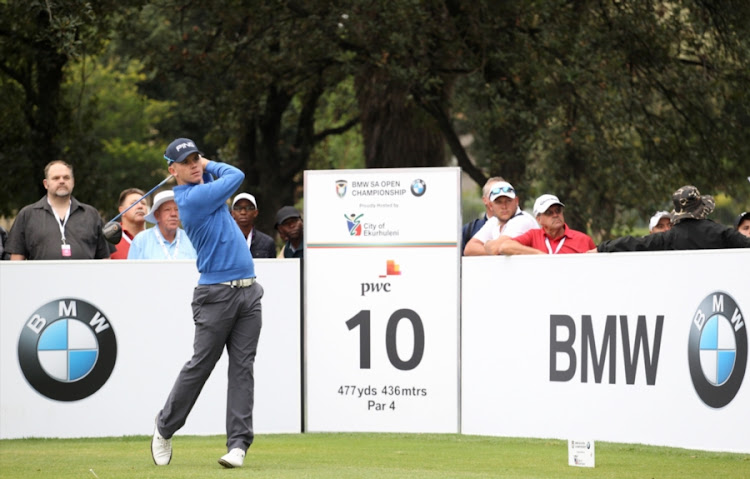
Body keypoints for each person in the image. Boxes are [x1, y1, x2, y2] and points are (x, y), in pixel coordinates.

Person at [151, 138, 262, 469]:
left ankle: (238, 445)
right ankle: (165, 427)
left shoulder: (205, 185)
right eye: (186, 161)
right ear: (173, 170)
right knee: (201, 365)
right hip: (216, 296)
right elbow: (236, 174)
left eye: (197, 157)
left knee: (243, 368)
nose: (195, 164)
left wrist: (202, 166)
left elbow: (227, 177)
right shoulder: (192, 198)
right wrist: (211, 164)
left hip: (249, 290)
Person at [6, 160, 112, 260]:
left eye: (66, 178)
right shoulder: (27, 215)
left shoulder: (91, 214)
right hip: (42, 279)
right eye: (56, 178)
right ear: (46, 184)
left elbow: (105, 258)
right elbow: (16, 259)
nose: (62, 181)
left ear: (73, 182)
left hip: (83, 279)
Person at [595, 186, 750, 252]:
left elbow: (635, 243)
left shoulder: (668, 238)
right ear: (701, 208)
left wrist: (602, 248)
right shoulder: (721, 233)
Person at [498, 194, 596, 255]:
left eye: (558, 211)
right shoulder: (533, 235)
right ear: (539, 219)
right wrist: (539, 254)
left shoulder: (583, 239)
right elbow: (505, 246)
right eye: (549, 213)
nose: (555, 215)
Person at [464, 181, 538, 255]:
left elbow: (495, 249)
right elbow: (468, 249)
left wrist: (487, 244)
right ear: (490, 206)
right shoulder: (494, 221)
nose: (504, 206)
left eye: (508, 201)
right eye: (498, 202)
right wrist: (492, 248)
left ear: (516, 201)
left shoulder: (523, 220)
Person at [128, 190, 197, 260]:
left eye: (177, 209)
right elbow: (130, 270)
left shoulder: (192, 239)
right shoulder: (141, 240)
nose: (173, 214)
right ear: (157, 215)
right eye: (167, 209)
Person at [460, 176, 505, 254]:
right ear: (485, 200)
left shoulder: (517, 225)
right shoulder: (470, 229)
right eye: (494, 194)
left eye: (506, 198)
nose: (501, 202)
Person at [231, 193, 277, 258]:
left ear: (255, 213)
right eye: (238, 208)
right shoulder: (224, 242)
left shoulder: (267, 243)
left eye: (248, 208)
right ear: (232, 213)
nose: (243, 212)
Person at [110, 188, 149, 259]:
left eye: (143, 203)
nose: (140, 206)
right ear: (122, 211)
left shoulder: (155, 239)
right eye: (134, 203)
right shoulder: (109, 239)